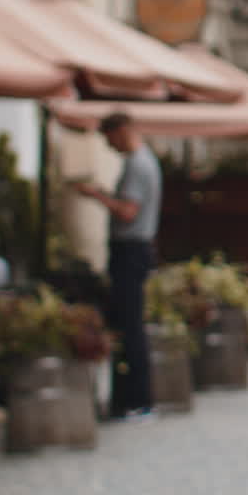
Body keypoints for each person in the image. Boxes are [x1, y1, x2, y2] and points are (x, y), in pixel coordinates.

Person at [72, 113, 162, 421]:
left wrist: (95, 195)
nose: (109, 146)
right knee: (126, 324)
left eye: (109, 139)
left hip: (130, 250)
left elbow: (128, 212)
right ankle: (128, 400)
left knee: (130, 325)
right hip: (134, 250)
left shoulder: (138, 164)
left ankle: (138, 400)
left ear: (121, 132)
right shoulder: (143, 160)